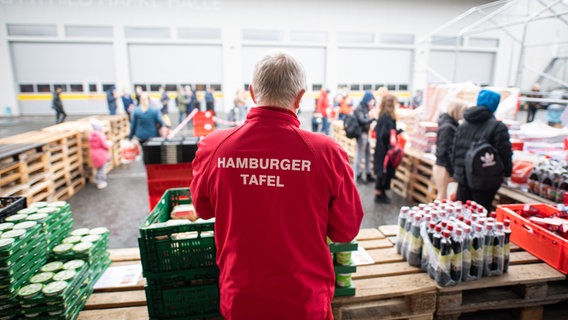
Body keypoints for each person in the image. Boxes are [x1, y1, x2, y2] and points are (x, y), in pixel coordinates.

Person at [190, 50, 364, 320]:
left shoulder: (215, 147)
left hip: (241, 301)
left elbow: (202, 208)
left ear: (252, 92)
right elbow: (346, 230)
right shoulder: (326, 152)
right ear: (300, 97)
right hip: (305, 303)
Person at [451, 89, 513, 212]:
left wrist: (457, 172)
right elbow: (504, 153)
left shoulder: (464, 124)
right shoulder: (497, 127)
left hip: (463, 178)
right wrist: (507, 173)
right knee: (479, 216)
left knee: (461, 215)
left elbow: (454, 150)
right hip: (484, 181)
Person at [433, 99, 468, 200]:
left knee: (443, 195)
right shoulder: (448, 127)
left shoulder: (448, 124)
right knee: (442, 196)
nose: (464, 115)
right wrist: (452, 170)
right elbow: (444, 151)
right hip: (443, 167)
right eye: (463, 111)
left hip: (443, 166)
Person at [373, 94, 398, 204]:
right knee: (383, 171)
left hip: (381, 148)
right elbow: (384, 134)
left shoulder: (382, 115)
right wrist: (393, 133)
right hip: (385, 149)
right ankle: (379, 194)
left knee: (382, 170)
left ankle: (380, 193)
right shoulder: (387, 118)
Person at [353, 91, 376, 184]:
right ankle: (357, 174)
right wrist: (371, 119)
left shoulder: (365, 108)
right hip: (361, 135)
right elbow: (362, 120)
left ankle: (368, 173)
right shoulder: (359, 108)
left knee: (367, 154)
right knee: (360, 154)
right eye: (371, 100)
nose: (372, 102)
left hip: (366, 134)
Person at [89, 119, 111, 189]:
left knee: (99, 167)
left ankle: (97, 179)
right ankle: (100, 181)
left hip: (94, 153)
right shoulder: (100, 135)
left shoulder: (91, 135)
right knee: (102, 168)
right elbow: (104, 145)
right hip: (101, 153)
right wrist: (109, 144)